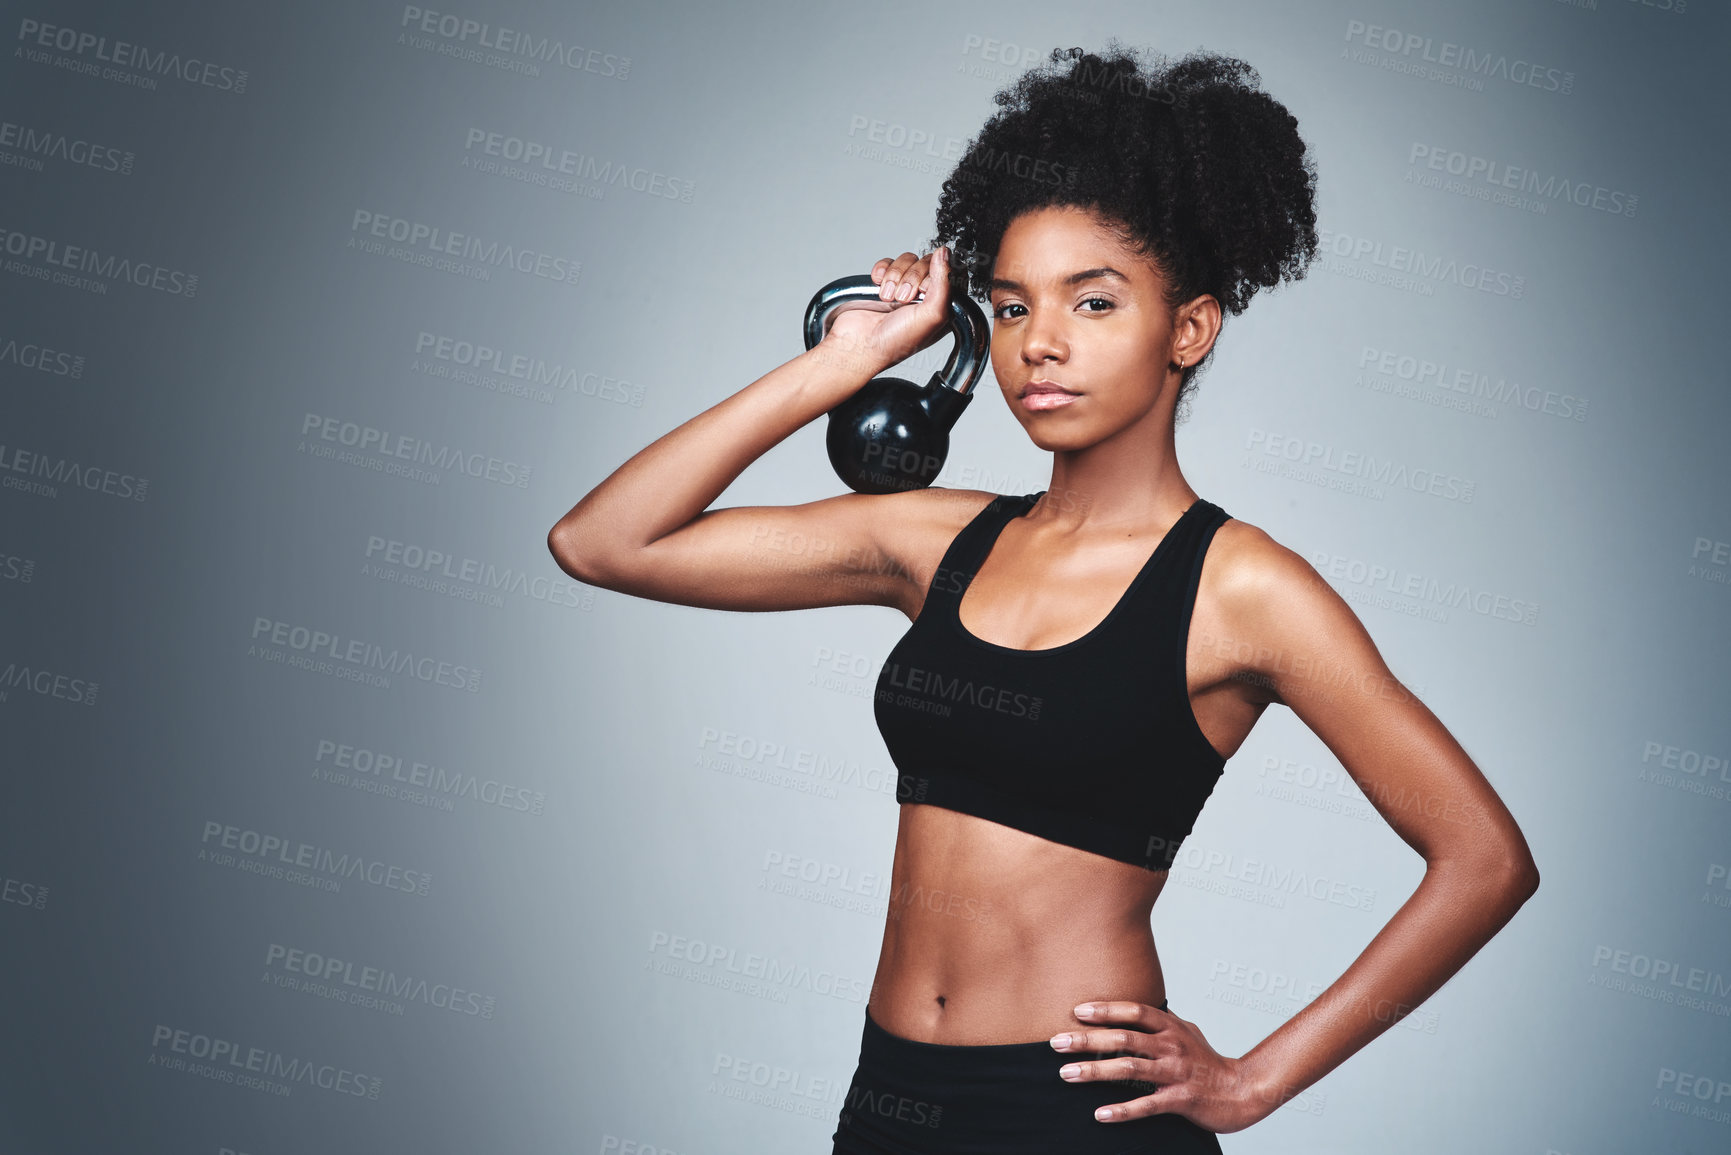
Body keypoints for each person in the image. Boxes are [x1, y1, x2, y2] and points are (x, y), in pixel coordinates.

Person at [548, 43, 1539, 1154]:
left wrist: (1256, 1083)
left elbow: (1486, 860)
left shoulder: (1243, 589)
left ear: (1189, 328)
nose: (1041, 346)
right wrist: (842, 363)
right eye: (1012, 309)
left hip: (1080, 1116)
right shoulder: (937, 540)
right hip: (888, 1100)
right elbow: (603, 541)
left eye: (1094, 302)